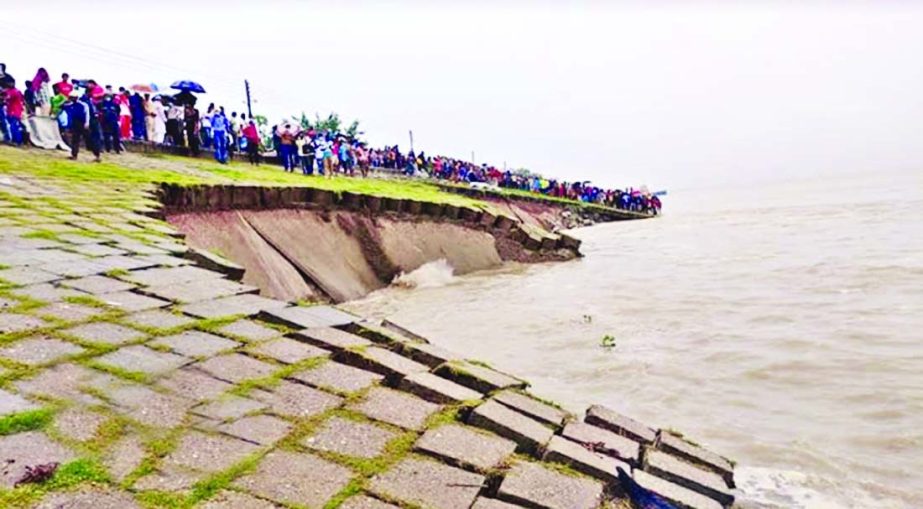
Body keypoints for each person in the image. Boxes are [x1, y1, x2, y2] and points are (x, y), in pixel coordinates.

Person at [61, 91, 89, 159]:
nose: (72, 99)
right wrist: (66, 101)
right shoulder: (70, 105)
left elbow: (87, 114)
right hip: (74, 123)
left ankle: (97, 154)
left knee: (88, 138)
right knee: (75, 139)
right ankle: (74, 155)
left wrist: (87, 123)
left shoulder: (83, 104)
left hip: (82, 122)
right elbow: (61, 106)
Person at [1, 82, 25, 146]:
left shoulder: (14, 92)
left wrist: (3, 97)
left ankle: (18, 141)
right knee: (13, 126)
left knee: (14, 126)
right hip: (11, 111)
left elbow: (8, 97)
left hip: (14, 112)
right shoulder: (11, 90)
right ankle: (15, 140)